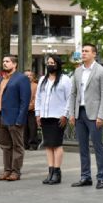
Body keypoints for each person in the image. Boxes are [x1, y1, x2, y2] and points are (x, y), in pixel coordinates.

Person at [69, 43, 103, 189]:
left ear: (94, 54)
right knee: (83, 147)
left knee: (98, 147)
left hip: (94, 115)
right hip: (79, 113)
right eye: (83, 51)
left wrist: (101, 116)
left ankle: (101, 178)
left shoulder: (102, 71)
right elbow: (73, 93)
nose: (84, 53)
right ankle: (85, 176)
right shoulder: (78, 71)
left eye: (86, 51)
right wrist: (72, 113)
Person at [0, 55, 31, 181]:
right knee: (5, 145)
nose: (5, 63)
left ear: (14, 64)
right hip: (1, 117)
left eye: (7, 61)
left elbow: (25, 101)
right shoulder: (1, 80)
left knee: (17, 146)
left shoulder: (22, 79)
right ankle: (7, 170)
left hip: (14, 118)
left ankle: (16, 172)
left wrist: (20, 119)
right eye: (3, 61)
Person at [35, 55, 72, 185]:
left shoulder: (65, 79)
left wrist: (65, 115)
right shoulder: (42, 80)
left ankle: (57, 172)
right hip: (45, 116)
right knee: (48, 145)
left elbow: (69, 98)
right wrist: (37, 114)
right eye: (48, 63)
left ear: (58, 64)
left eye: (52, 62)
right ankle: (50, 171)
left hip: (58, 117)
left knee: (56, 144)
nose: (50, 65)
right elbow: (38, 97)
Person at [24, 70, 39, 150]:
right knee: (24, 128)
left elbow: (36, 98)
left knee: (32, 128)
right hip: (22, 111)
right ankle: (25, 144)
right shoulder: (21, 85)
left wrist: (30, 106)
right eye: (27, 75)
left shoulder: (36, 86)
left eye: (30, 75)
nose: (28, 76)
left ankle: (33, 144)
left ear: (33, 77)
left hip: (32, 111)